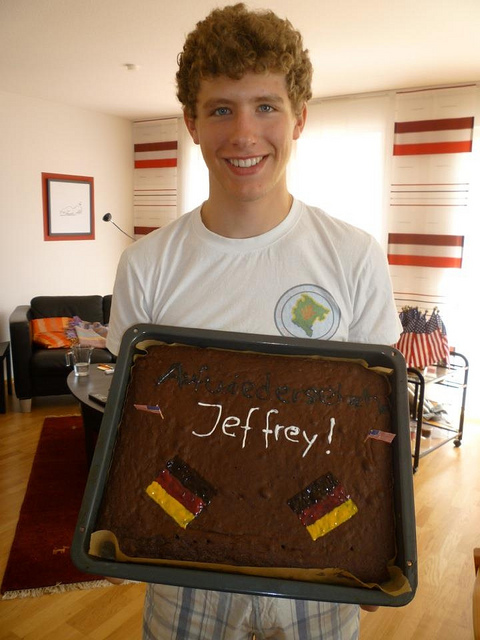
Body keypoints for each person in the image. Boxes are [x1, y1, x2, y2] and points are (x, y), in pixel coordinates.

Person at [106, 4, 402, 638]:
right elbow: (138, 430)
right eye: (221, 109)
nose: (244, 133)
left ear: (299, 118)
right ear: (191, 122)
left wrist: (379, 537)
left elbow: (376, 427)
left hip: (320, 565)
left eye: (266, 106)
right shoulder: (147, 266)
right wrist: (153, 520)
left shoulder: (353, 256)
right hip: (185, 566)